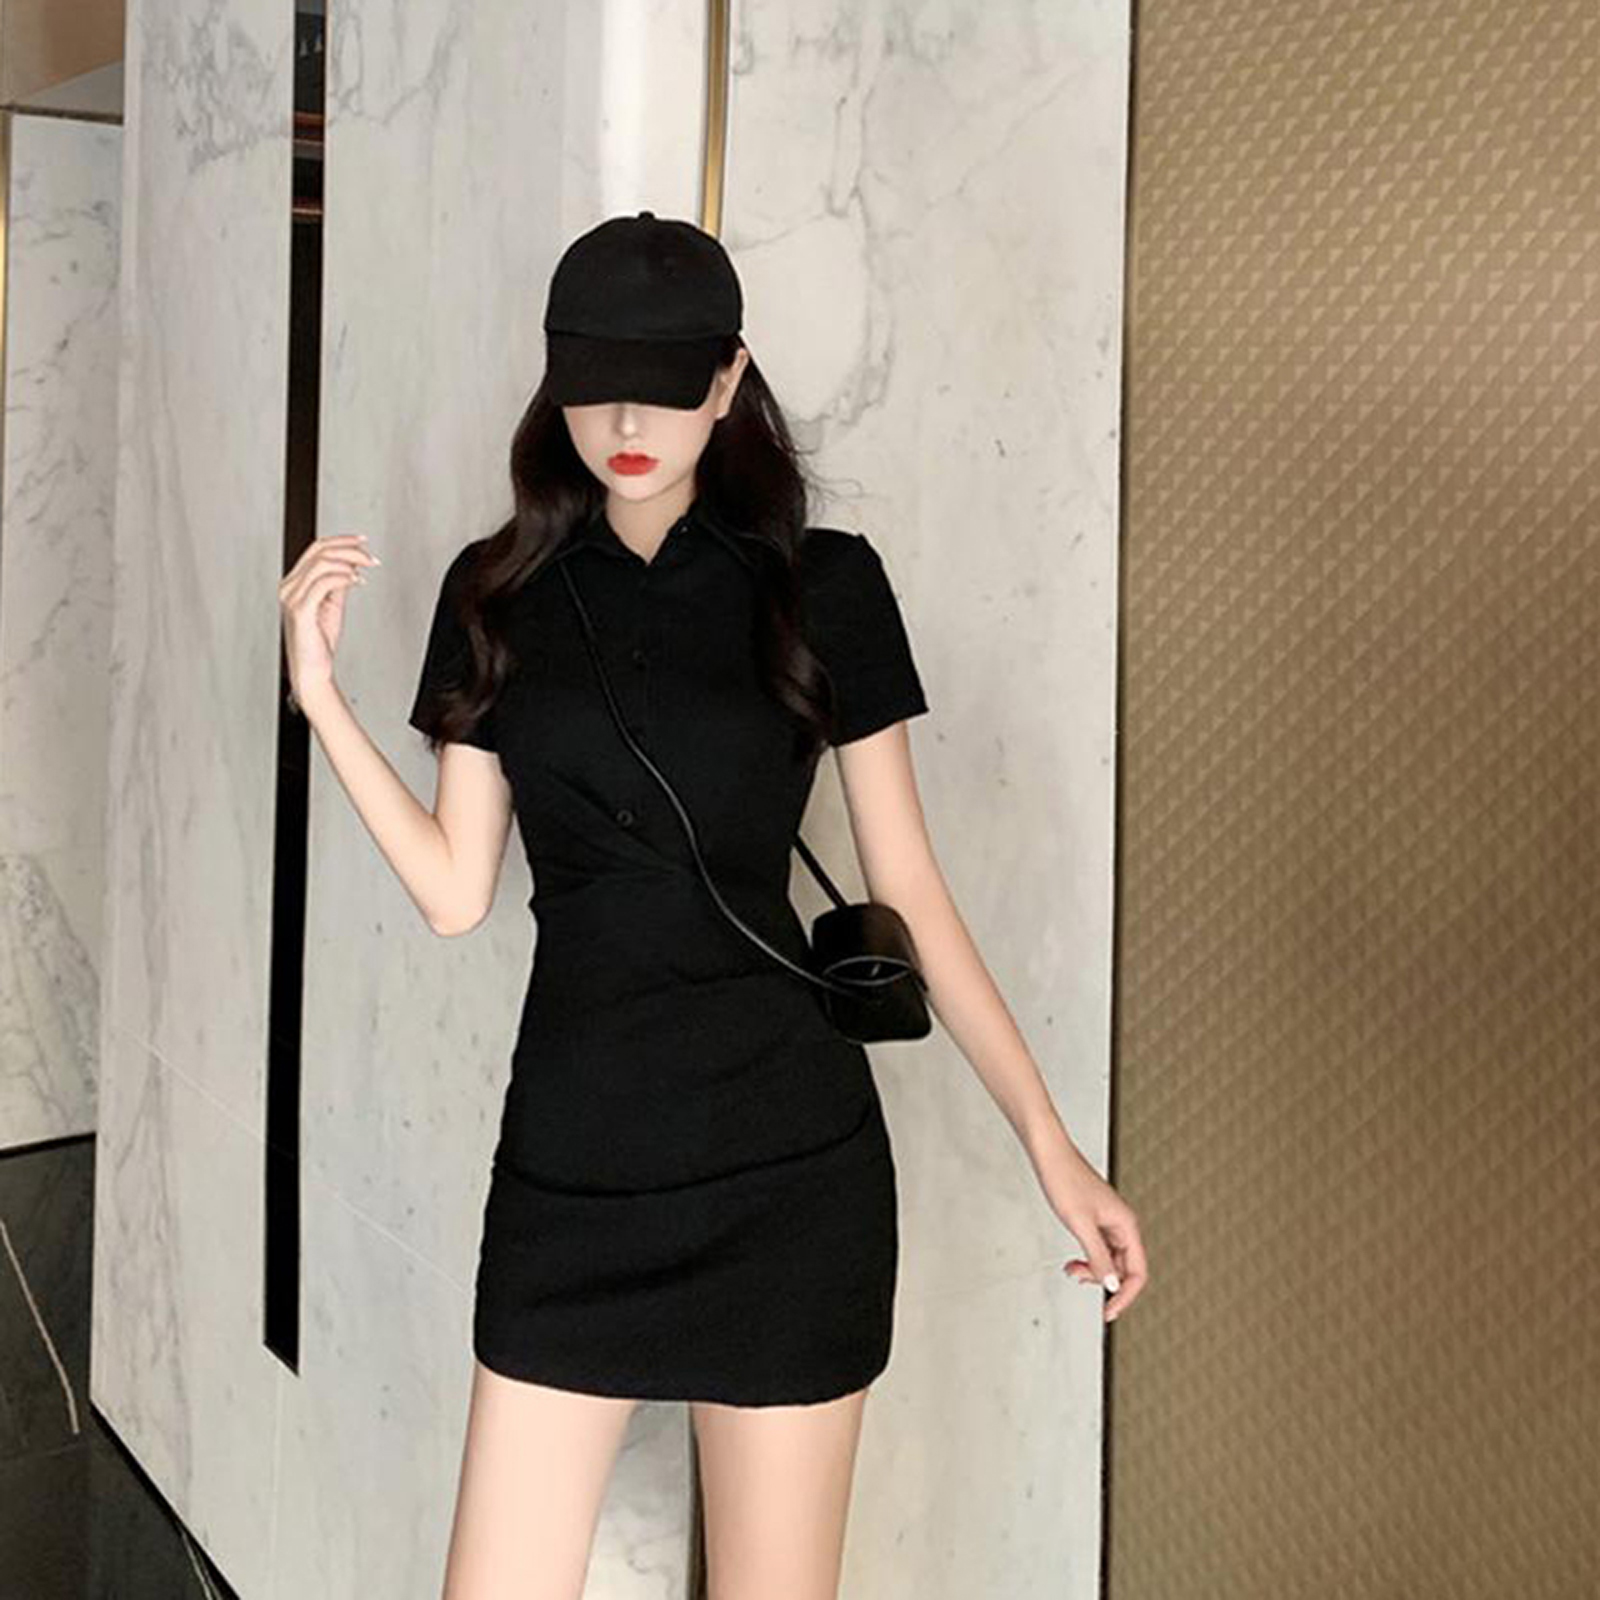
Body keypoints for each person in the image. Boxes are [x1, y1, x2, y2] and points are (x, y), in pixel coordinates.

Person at [278, 211, 1147, 1600]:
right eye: (596, 384)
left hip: (787, 1177)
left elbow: (908, 888)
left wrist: (1054, 1149)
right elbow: (454, 892)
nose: (627, 422)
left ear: (731, 379)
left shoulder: (823, 586)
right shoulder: (496, 593)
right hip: (574, 1171)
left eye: (667, 385)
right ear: (556, 380)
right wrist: (322, 699)